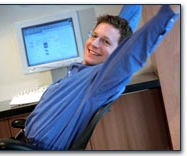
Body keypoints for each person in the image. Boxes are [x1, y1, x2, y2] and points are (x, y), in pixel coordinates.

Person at [24, 5, 180, 150]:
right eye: (94, 36)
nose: (94, 44)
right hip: (23, 142)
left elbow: (129, 52)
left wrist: (169, 11)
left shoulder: (100, 80)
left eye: (105, 41)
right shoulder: (81, 70)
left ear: (117, 54)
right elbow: (125, 24)